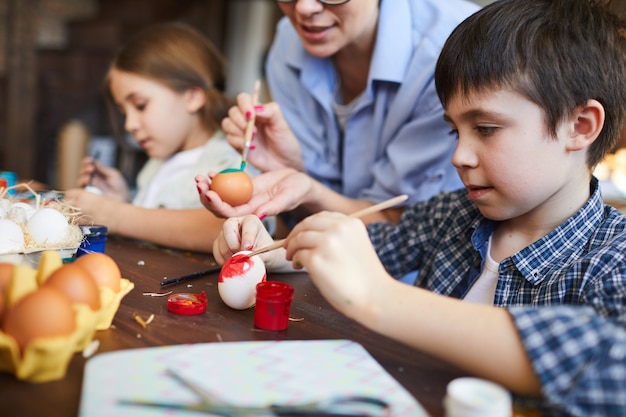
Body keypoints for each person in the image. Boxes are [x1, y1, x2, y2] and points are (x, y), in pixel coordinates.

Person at [212, 0, 626, 414]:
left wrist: (381, 298)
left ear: (580, 126)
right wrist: (270, 250)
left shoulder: (612, 257)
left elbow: (612, 361)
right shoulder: (451, 216)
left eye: (485, 129)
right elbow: (359, 246)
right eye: (454, 131)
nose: (459, 155)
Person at [196, 0, 479, 229]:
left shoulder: (447, 54)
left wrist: (304, 187)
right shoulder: (289, 41)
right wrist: (291, 169)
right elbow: (314, 212)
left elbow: (397, 223)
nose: (305, 8)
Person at [65, 23, 246, 252]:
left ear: (192, 97)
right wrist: (122, 201)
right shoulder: (158, 163)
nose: (129, 125)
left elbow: (226, 228)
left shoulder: (229, 160)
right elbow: (154, 229)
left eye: (141, 105)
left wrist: (115, 214)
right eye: (124, 112)